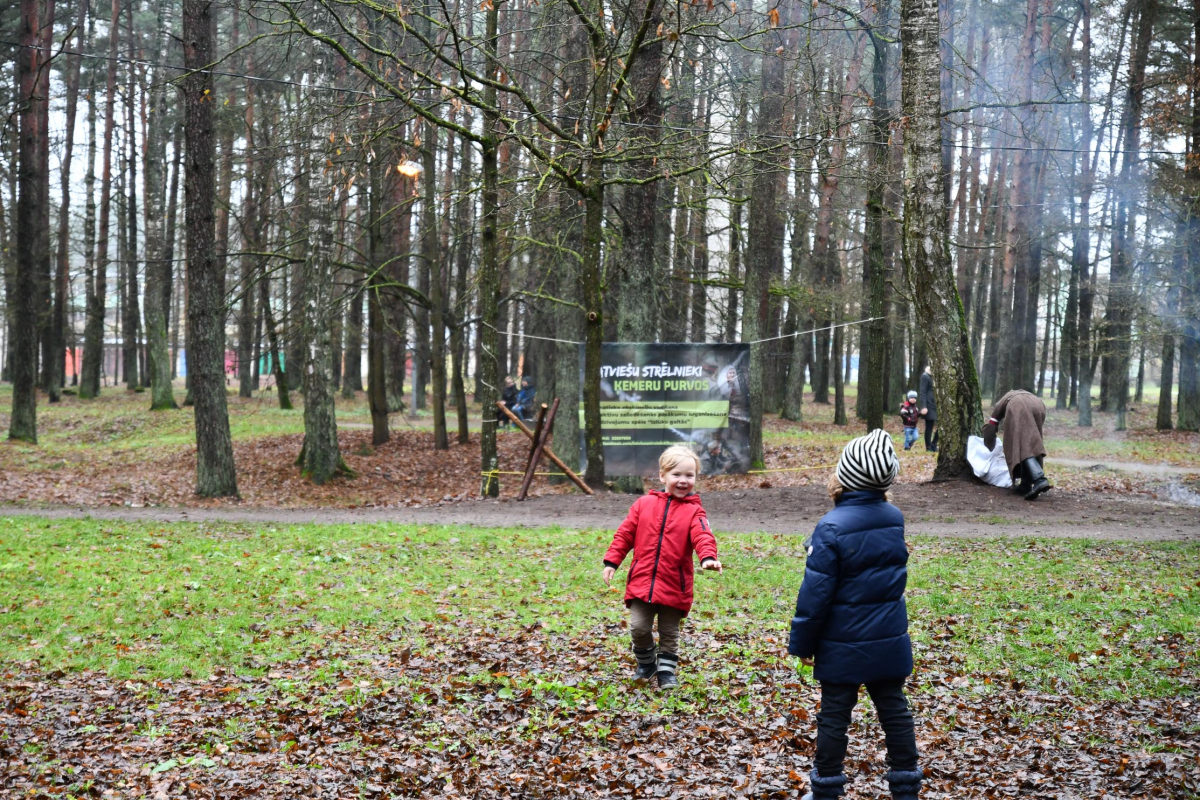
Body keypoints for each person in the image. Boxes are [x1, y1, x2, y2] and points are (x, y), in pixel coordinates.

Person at [789, 429, 922, 800]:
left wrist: (802, 643)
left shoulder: (831, 526)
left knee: (834, 716)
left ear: (844, 476)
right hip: (887, 638)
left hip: (841, 642)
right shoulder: (894, 517)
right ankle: (906, 784)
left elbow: (815, 595)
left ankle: (827, 788)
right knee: (894, 710)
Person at [602, 445, 722, 690]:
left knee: (669, 632)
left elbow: (703, 535)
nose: (683, 480)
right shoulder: (643, 504)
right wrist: (612, 561)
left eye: (689, 476)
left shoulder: (694, 511)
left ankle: (667, 672)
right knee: (638, 627)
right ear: (662, 476)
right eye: (677, 474)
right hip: (641, 581)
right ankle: (646, 663)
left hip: (674, 584)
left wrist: (708, 557)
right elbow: (625, 534)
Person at [983, 389, 1050, 500]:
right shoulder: (1020, 395)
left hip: (1019, 406)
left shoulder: (1000, 404)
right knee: (1032, 442)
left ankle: (1039, 479)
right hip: (1039, 405)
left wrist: (988, 442)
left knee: (1020, 445)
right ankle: (1026, 484)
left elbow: (991, 425)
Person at [918, 365, 937, 452]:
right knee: (929, 426)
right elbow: (922, 392)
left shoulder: (936, 376)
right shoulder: (925, 376)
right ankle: (928, 447)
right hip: (929, 405)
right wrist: (924, 406)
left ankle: (934, 444)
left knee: (942, 427)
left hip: (937, 405)